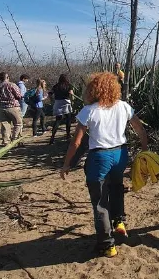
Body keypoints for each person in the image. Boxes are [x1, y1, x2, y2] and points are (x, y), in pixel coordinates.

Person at [60, 72, 149, 258]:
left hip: (100, 157)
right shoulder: (124, 106)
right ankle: (119, 221)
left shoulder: (89, 110)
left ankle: (107, 245)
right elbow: (140, 129)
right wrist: (144, 150)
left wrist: (66, 164)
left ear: (93, 89)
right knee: (116, 187)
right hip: (120, 154)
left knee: (100, 201)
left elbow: (76, 142)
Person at [0, 72, 23, 146]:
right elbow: (18, 95)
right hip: (13, 107)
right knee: (18, 124)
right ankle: (15, 139)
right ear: (7, 77)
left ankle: (6, 142)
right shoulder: (12, 85)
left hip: (2, 108)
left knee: (5, 125)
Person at [49, 74, 75, 144]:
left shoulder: (56, 86)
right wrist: (72, 101)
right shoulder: (69, 86)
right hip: (66, 103)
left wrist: (52, 100)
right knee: (68, 119)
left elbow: (50, 93)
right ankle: (68, 135)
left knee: (58, 120)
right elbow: (72, 94)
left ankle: (52, 137)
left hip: (58, 103)